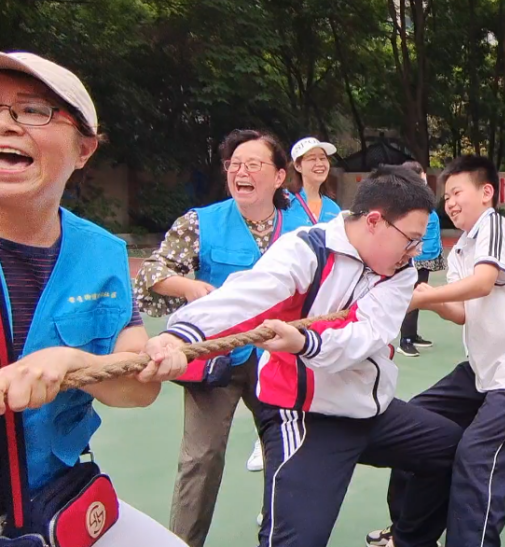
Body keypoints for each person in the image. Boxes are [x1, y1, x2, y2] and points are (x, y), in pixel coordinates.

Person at [144, 165, 462, 547]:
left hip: (369, 410)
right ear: (375, 221)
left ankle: (409, 540)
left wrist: (304, 343)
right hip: (305, 414)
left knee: (452, 450)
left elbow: (367, 334)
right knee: (297, 541)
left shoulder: (400, 271)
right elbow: (246, 297)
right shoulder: (307, 248)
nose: (415, 252)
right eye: (410, 240)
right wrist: (180, 336)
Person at [0, 50, 187, 546]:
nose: (5, 124)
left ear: (84, 149)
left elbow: (137, 386)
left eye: (32, 110)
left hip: (55, 505)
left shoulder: (101, 253)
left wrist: (73, 361)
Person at [366, 155, 505, 547]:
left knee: (477, 460)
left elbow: (484, 282)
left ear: (487, 192)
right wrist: (424, 297)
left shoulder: (494, 226)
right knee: (417, 425)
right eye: (447, 196)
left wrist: (423, 297)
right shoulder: (461, 250)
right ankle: (409, 536)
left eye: (458, 192)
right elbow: (462, 312)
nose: (451, 202)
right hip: (484, 368)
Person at [134, 129, 310, 546]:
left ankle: (280, 535)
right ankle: (183, 541)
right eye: (234, 164)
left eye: (253, 164)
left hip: (279, 357)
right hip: (215, 358)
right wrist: (188, 287)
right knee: (201, 457)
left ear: (279, 176)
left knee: (289, 451)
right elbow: (152, 273)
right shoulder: (201, 222)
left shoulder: (304, 227)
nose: (240, 172)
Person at [398, 160, 444, 357]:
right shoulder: (405, 199)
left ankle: (413, 334)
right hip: (414, 256)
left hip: (428, 253)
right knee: (411, 296)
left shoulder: (422, 195)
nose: (423, 178)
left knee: (419, 295)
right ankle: (405, 340)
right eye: (420, 175)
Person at [285, 137, 341, 225]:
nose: (320, 164)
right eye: (312, 159)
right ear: (298, 166)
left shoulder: (334, 209)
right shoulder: (283, 201)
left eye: (322, 158)